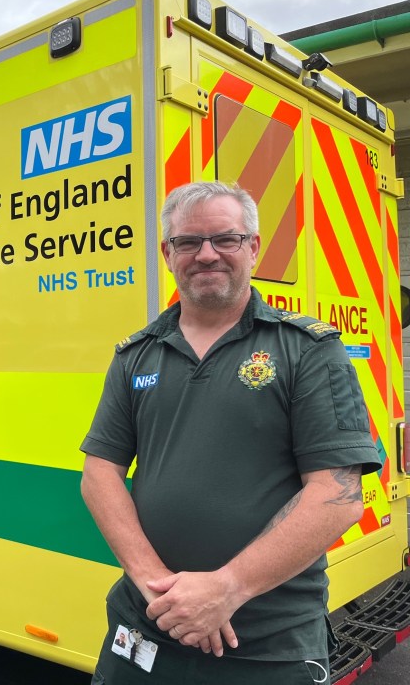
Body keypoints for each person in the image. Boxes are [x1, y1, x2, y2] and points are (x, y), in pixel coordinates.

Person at [80, 181, 380, 684]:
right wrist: (158, 588)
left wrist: (226, 588)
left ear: (253, 247)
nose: (207, 254)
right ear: (167, 253)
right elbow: (99, 473)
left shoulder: (307, 349)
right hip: (146, 626)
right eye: (188, 242)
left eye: (226, 239)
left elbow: (339, 492)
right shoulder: (137, 354)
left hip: (267, 644)